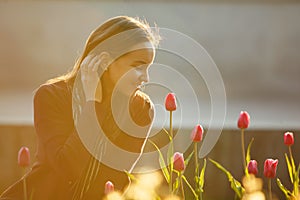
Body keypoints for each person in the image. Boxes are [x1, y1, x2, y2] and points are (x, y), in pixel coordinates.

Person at [0, 15, 160, 200]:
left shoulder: (140, 110)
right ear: (106, 61)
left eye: (148, 67)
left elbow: (115, 180)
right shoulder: (50, 96)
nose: (146, 78)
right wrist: (93, 102)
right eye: (138, 66)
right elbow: (66, 167)